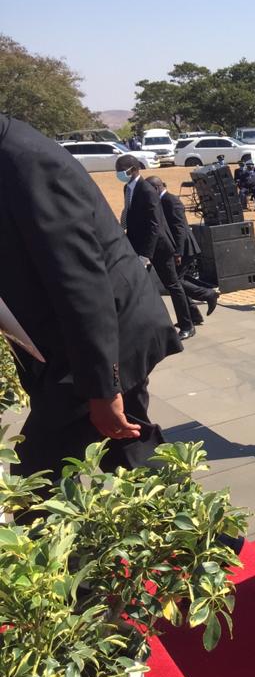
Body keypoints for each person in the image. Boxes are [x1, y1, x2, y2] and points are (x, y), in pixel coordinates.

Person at [0, 113, 181, 483]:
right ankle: (195, 519)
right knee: (131, 453)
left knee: (36, 477)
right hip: (72, 342)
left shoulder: (27, 161)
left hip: (104, 337)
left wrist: (103, 389)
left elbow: (81, 280)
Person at [118, 154, 196, 340]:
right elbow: (131, 216)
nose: (119, 174)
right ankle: (148, 325)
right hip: (139, 246)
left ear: (133, 169)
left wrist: (146, 255)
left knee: (172, 285)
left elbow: (155, 225)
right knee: (138, 286)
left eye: (121, 170)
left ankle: (187, 325)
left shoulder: (147, 190)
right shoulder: (127, 188)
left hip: (158, 247)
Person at [145, 176, 219, 326]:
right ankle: (194, 315)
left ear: (156, 188)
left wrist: (178, 252)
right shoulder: (160, 201)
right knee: (177, 283)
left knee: (176, 283)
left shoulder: (171, 201)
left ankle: (208, 294)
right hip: (177, 249)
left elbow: (180, 228)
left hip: (184, 248)